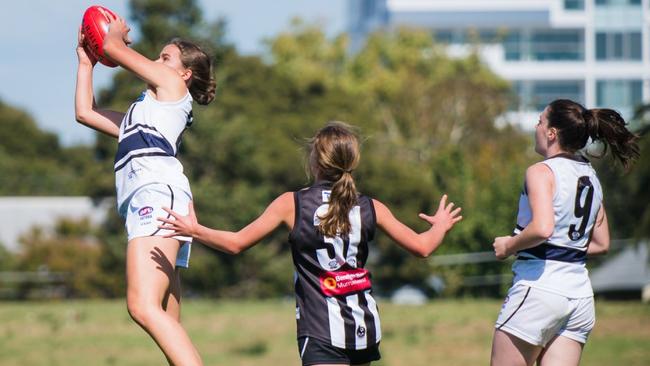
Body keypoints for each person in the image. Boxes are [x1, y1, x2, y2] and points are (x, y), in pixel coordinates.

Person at [158, 121, 462, 366]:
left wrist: (195, 230)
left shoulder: (292, 204)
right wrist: (441, 226)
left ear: (314, 160)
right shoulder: (370, 207)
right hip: (364, 329)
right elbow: (423, 247)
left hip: (321, 331)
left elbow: (237, 243)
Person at [75, 11, 215, 366]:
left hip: (155, 194)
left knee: (142, 306)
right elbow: (85, 113)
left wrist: (116, 35)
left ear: (184, 74)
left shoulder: (174, 88)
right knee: (166, 318)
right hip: (158, 197)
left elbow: (113, 46)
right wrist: (85, 62)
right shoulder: (143, 112)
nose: (155, 62)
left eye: (164, 58)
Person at [490, 99, 640, 366]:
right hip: (579, 297)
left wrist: (508, 245)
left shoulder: (540, 171)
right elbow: (602, 243)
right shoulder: (590, 175)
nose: (535, 127)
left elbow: (543, 228)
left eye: (539, 121)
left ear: (551, 133)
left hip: (539, 288)